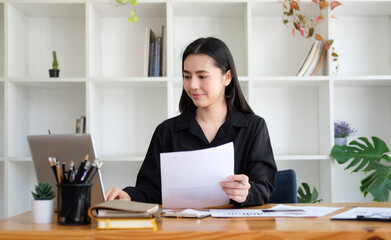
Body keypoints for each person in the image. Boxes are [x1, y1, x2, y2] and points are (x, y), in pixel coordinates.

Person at [106, 37, 277, 207]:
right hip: (181, 229)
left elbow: (263, 187)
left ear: (227, 77)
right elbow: (151, 190)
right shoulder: (166, 131)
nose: (193, 85)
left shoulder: (254, 128)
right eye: (187, 76)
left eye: (202, 76)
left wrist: (246, 192)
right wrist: (128, 195)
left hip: (235, 229)